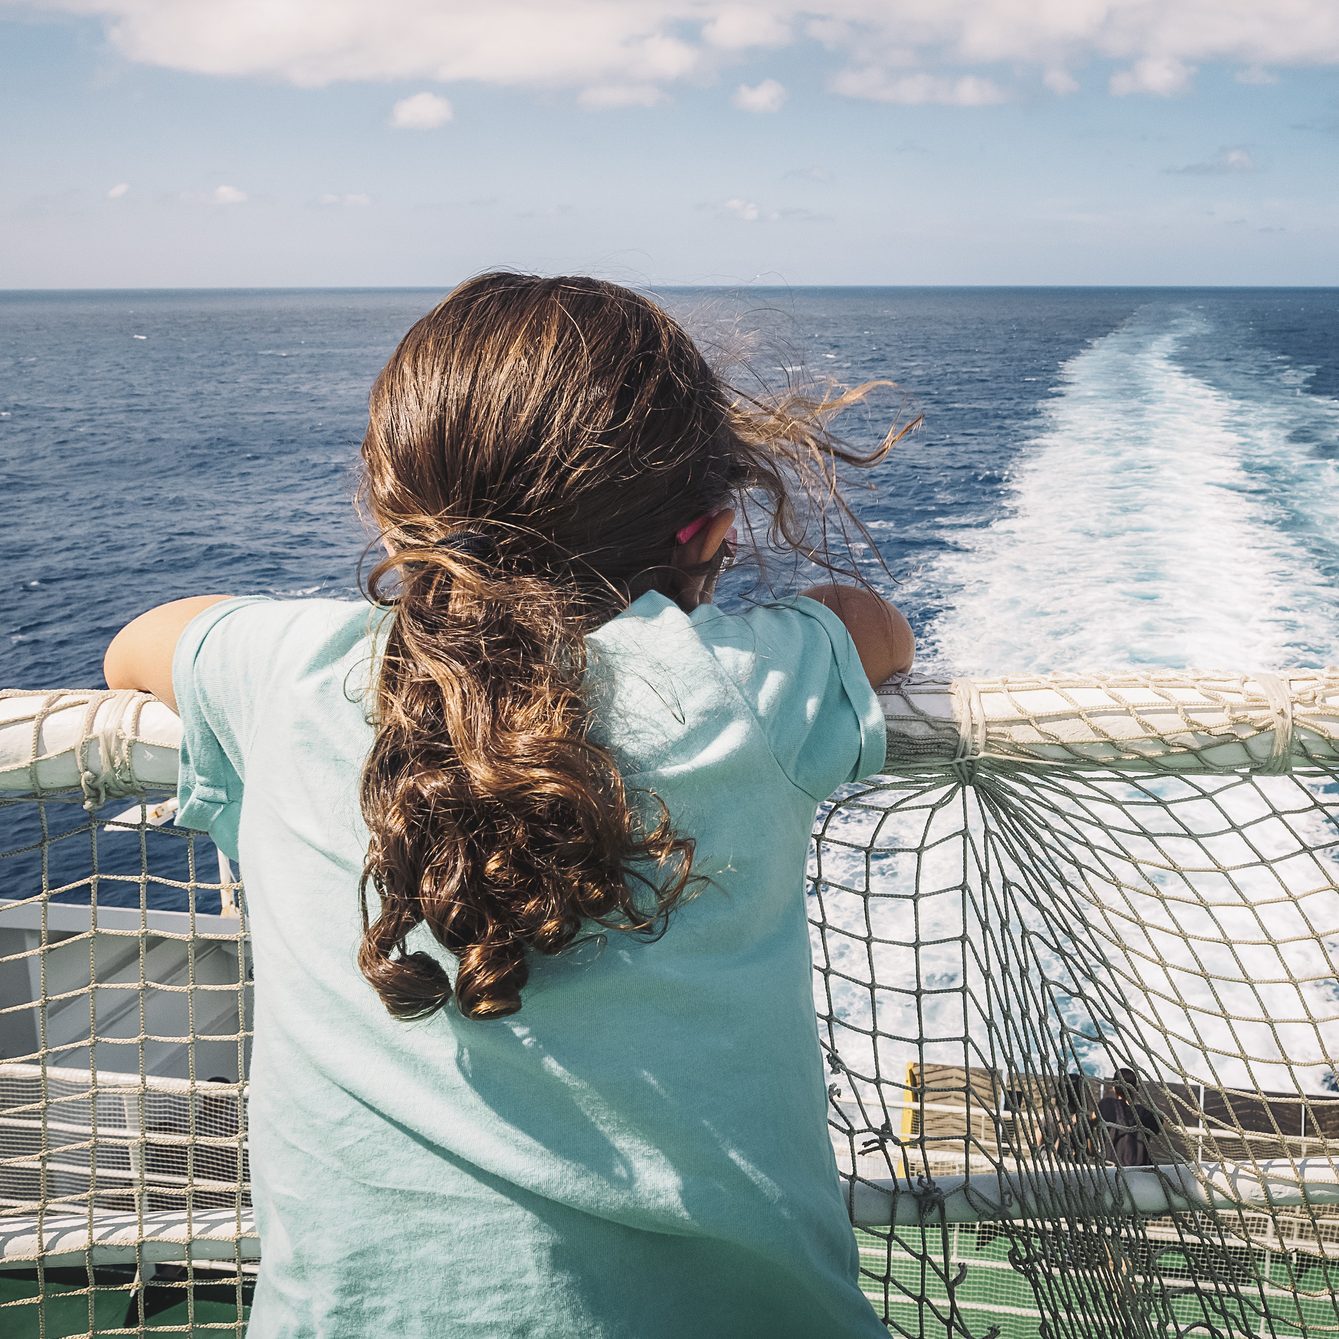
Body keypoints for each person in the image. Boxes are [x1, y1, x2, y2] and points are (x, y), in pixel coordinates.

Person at [103, 273, 915, 1338]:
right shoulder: (751, 688)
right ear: (707, 530)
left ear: (397, 520)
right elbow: (873, 626)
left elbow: (139, 643)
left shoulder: (284, 672)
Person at [1098, 1067, 1164, 1168]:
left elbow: (1093, 1117)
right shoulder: (1147, 1114)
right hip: (1140, 1172)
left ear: (1114, 1088)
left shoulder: (1106, 1105)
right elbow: (1161, 1124)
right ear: (1136, 1089)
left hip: (1112, 1170)